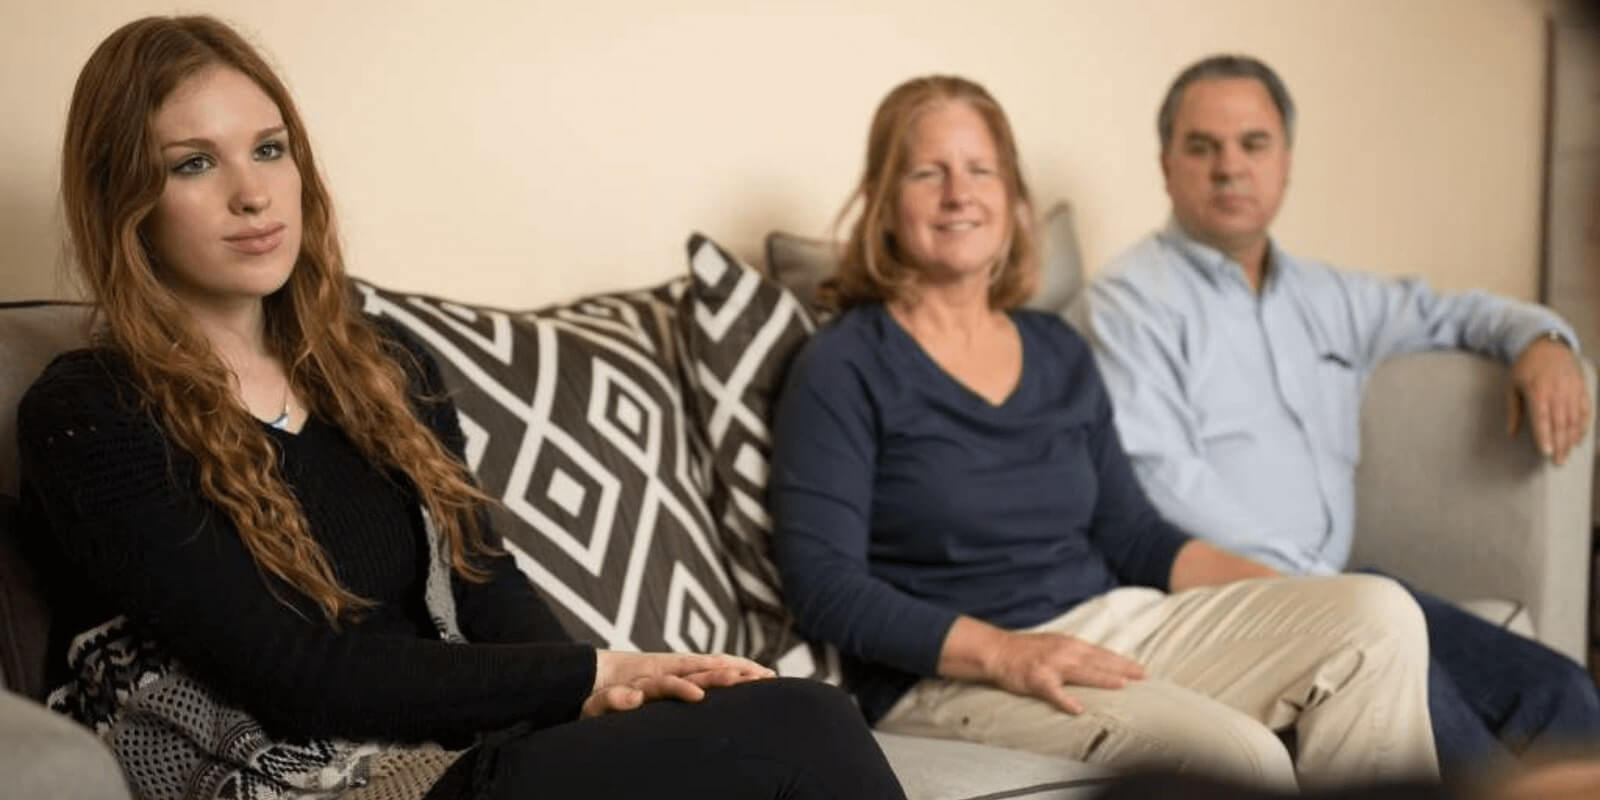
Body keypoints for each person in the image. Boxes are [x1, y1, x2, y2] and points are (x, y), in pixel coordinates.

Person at [18, 15, 907, 800]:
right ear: (125, 200)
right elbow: (293, 674)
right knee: (806, 728)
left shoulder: (381, 369)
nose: (251, 193)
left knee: (773, 719)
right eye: (193, 164)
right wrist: (587, 674)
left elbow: (487, 584)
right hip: (314, 783)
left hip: (465, 756)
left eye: (269, 148)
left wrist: (614, 700)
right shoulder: (94, 413)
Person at [769, 74, 1440, 792]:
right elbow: (823, 583)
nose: (958, 194)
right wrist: (1003, 653)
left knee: (1376, 614)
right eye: (927, 172)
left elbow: (1133, 537)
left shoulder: (1056, 348)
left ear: (1013, 200)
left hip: (1113, 622)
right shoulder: (843, 364)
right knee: (1242, 761)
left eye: (980, 170)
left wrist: (1290, 596)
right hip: (951, 675)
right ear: (884, 203)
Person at [1081, 54, 1600, 777]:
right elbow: (1162, 484)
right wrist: (1318, 585)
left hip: (1350, 584)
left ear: (1285, 162)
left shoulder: (1331, 297)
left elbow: (1452, 312)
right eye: (1202, 146)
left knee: (1564, 695)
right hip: (1230, 601)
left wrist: (1541, 339)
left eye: (1252, 144)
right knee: (1460, 744)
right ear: (1167, 165)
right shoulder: (1127, 301)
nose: (1229, 166)